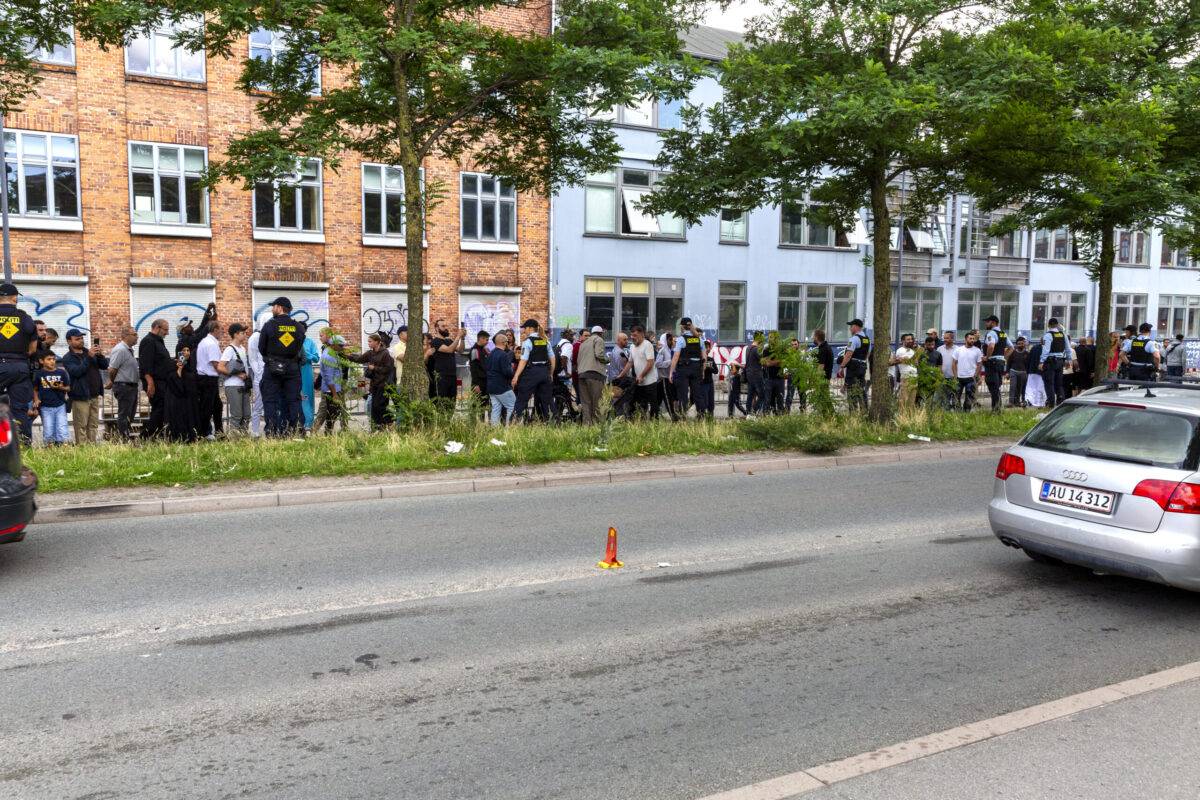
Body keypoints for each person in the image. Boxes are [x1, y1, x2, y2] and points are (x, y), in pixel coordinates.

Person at [257, 296, 307, 437]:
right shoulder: (298, 327)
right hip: (292, 368)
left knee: (270, 400)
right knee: (294, 400)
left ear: (279, 308)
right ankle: (297, 430)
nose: (272, 309)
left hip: (273, 368)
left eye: (274, 306)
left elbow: (261, 348)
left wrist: (273, 357)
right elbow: (299, 347)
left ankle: (272, 432)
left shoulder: (269, 325)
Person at [0, 282, 39, 443]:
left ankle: (3, 444)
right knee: (20, 409)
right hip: (20, 367)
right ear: (15, 298)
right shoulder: (25, 317)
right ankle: (23, 445)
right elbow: (33, 349)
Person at [348, 332, 396, 430]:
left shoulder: (385, 353)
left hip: (383, 384)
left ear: (377, 342)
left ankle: (388, 423)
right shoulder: (370, 353)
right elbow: (359, 359)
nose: (368, 343)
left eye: (370, 341)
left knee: (380, 406)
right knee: (373, 407)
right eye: (368, 341)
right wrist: (348, 356)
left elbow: (388, 369)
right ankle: (377, 427)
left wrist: (375, 368)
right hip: (372, 384)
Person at [510, 319, 555, 422]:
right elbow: (553, 359)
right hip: (544, 373)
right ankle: (550, 421)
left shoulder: (527, 342)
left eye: (525, 328)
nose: (524, 330)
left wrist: (516, 376)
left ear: (530, 328)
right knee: (546, 400)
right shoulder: (545, 341)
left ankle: (514, 422)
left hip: (532, 373)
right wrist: (551, 373)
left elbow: (523, 360)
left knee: (522, 398)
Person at [62, 328, 102, 443]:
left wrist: (100, 355)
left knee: (93, 425)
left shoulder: (88, 352)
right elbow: (77, 372)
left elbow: (104, 365)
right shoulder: (68, 358)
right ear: (69, 341)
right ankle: (82, 451)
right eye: (77, 339)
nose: (81, 340)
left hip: (94, 395)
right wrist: (89, 357)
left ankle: (92, 449)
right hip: (80, 397)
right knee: (81, 426)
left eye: (82, 338)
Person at [138, 318, 171, 439]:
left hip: (162, 382)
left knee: (161, 410)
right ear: (157, 328)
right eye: (165, 330)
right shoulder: (148, 341)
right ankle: (146, 435)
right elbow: (145, 365)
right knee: (159, 409)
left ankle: (156, 435)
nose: (167, 333)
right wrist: (150, 383)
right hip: (155, 382)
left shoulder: (159, 341)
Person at [106, 326, 140, 439]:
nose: (137, 337)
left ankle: (126, 435)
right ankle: (123, 438)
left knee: (130, 414)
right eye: (134, 334)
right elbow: (112, 369)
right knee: (124, 414)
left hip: (131, 387)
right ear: (125, 336)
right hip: (124, 386)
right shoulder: (120, 349)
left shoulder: (129, 350)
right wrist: (112, 380)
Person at [669, 317, 707, 418]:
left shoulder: (681, 339)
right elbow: (704, 357)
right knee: (698, 394)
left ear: (682, 326)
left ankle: (683, 417)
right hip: (697, 369)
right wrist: (703, 371)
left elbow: (675, 357)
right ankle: (702, 416)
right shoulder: (700, 339)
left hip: (683, 370)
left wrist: (671, 372)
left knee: (683, 394)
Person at [219, 323, 252, 434]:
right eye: (242, 333)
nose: (245, 335)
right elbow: (220, 366)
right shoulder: (229, 349)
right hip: (233, 386)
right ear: (236, 334)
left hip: (244, 385)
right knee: (237, 416)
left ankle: (243, 439)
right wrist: (237, 374)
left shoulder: (242, 348)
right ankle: (234, 441)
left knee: (247, 415)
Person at [33, 351, 70, 446]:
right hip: (45, 406)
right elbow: (35, 389)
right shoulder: (39, 374)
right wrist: (36, 399)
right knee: (48, 429)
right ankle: (49, 448)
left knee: (62, 428)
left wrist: (61, 387)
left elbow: (68, 388)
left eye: (53, 359)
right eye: (49, 359)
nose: (52, 361)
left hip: (60, 405)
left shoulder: (61, 372)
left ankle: (63, 448)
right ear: (41, 361)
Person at [194, 320, 224, 440]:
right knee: (207, 408)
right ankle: (202, 433)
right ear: (215, 329)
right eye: (221, 329)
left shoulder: (205, 342)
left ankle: (218, 432)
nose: (222, 331)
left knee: (217, 406)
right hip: (208, 379)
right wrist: (230, 373)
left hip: (205, 379)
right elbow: (216, 364)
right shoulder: (211, 344)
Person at [163, 344, 198, 442]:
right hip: (177, 399)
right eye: (183, 350)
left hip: (189, 399)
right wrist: (180, 368)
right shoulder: (172, 364)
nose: (186, 353)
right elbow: (173, 380)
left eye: (188, 350)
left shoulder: (191, 364)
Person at [577, 325, 609, 424]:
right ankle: (597, 425)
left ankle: (587, 426)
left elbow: (578, 360)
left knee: (586, 403)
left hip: (582, 375)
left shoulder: (583, 343)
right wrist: (607, 359)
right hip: (594, 375)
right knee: (597, 402)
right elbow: (599, 354)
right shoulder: (599, 339)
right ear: (601, 333)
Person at [430, 319, 465, 408]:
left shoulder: (449, 341)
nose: (446, 328)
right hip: (441, 377)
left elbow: (460, 350)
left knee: (452, 403)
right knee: (442, 403)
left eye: (446, 326)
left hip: (452, 376)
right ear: (437, 328)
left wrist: (462, 338)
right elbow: (449, 350)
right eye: (443, 326)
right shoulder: (435, 342)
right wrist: (458, 336)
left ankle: (448, 421)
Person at [981, 315, 1012, 413]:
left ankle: (996, 410)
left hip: (992, 363)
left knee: (993, 385)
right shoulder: (1003, 334)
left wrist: (987, 357)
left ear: (993, 323)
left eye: (987, 322)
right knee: (996, 385)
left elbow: (991, 346)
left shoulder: (991, 333)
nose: (986, 323)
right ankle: (997, 408)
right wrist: (1004, 357)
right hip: (1000, 363)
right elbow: (1011, 348)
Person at [839, 319, 871, 412]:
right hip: (862, 366)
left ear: (856, 327)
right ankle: (864, 411)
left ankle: (853, 414)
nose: (850, 329)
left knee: (851, 389)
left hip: (853, 367)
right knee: (861, 389)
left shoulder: (854, 339)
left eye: (851, 326)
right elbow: (867, 353)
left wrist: (841, 367)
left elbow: (848, 354)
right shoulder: (866, 339)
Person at [1039, 318, 1072, 408]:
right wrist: (1069, 360)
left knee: (1049, 383)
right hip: (1061, 361)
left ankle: (1050, 404)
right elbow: (1068, 348)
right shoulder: (1063, 334)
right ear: (1057, 325)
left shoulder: (1048, 335)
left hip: (1050, 362)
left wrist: (1041, 361)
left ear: (1049, 325)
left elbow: (1046, 350)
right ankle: (1060, 402)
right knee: (1059, 383)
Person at [486, 331, 517, 425]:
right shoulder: (503, 355)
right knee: (513, 405)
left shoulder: (491, 354)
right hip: (502, 387)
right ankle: (510, 428)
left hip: (491, 386)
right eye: (507, 341)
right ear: (504, 343)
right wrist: (512, 370)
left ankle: (495, 430)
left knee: (496, 408)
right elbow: (507, 372)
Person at [628, 325, 658, 418]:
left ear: (642, 334)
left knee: (653, 404)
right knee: (641, 404)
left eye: (635, 335)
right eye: (631, 335)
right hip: (639, 382)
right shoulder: (632, 346)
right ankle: (642, 422)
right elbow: (630, 362)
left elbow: (650, 363)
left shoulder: (647, 345)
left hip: (650, 381)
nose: (632, 338)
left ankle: (655, 422)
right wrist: (621, 375)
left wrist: (641, 375)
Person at [952, 330, 984, 411]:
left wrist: (976, 375)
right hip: (959, 378)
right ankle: (957, 413)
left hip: (971, 378)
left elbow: (979, 364)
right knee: (956, 397)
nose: (972, 340)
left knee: (969, 398)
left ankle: (966, 414)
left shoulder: (977, 350)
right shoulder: (958, 350)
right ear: (966, 339)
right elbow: (954, 363)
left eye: (973, 339)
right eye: (970, 338)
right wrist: (955, 376)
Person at [606, 330, 633, 419]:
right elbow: (623, 369)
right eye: (624, 340)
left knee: (616, 400)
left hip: (615, 379)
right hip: (618, 380)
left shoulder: (617, 350)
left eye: (627, 339)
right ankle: (619, 418)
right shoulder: (619, 353)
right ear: (618, 340)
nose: (626, 341)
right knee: (619, 400)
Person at [246, 324, 266, 438]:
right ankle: (254, 431)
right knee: (258, 405)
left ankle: (271, 429)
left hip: (269, 377)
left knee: (271, 405)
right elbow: (252, 358)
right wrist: (258, 373)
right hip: (260, 377)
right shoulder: (255, 337)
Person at [890, 332, 918, 409]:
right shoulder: (900, 350)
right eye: (908, 339)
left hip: (914, 377)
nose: (910, 341)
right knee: (903, 399)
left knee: (911, 401)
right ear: (903, 341)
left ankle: (908, 419)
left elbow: (915, 363)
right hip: (906, 377)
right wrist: (909, 360)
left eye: (911, 339)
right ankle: (901, 417)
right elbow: (901, 360)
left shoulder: (912, 351)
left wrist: (913, 360)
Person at [468, 330, 491, 418]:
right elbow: (473, 368)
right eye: (486, 340)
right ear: (480, 338)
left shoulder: (484, 350)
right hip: (478, 382)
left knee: (485, 404)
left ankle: (483, 424)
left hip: (485, 381)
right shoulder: (475, 350)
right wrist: (475, 384)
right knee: (476, 405)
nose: (487, 342)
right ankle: (474, 424)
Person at [300, 334, 321, 431]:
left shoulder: (310, 342)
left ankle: (308, 423)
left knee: (307, 397)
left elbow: (316, 358)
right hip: (293, 373)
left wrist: (305, 354)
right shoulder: (293, 340)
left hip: (306, 373)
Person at [655, 332, 677, 420]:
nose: (672, 341)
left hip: (667, 378)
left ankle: (653, 415)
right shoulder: (662, 350)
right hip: (663, 379)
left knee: (658, 399)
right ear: (666, 340)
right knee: (668, 398)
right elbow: (658, 364)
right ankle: (673, 416)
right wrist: (670, 362)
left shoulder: (669, 350)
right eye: (670, 339)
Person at [743, 332, 766, 414]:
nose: (763, 340)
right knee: (762, 395)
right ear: (759, 338)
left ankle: (748, 413)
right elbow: (763, 362)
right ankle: (754, 411)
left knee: (750, 394)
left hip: (749, 374)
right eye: (762, 338)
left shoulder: (748, 348)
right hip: (756, 374)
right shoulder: (756, 349)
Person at [1006, 337, 1030, 408]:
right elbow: (1008, 363)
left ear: (1024, 344)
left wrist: (1027, 373)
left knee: (1020, 388)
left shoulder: (1027, 353)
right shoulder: (1013, 352)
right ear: (1016, 344)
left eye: (1022, 343)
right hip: (1013, 371)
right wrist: (1007, 372)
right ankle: (1011, 402)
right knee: (1013, 386)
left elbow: (1028, 365)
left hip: (1023, 372)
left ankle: (1018, 402)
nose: (1021, 345)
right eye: (1019, 344)